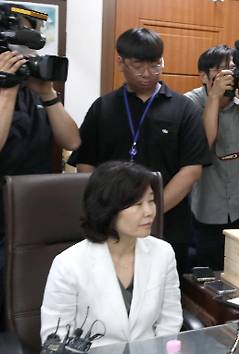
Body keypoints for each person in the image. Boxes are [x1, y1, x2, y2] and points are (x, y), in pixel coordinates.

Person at [68, 28, 211, 275]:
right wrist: (111, 212)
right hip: (112, 226)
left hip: (169, 226)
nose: (147, 73)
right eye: (138, 65)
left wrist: (150, 211)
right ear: (120, 62)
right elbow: (86, 164)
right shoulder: (104, 107)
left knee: (165, 295)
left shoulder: (183, 108)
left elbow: (192, 170)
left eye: (155, 65)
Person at [40, 161, 182, 348]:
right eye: (138, 204)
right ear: (108, 209)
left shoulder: (163, 253)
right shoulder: (68, 264)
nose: (149, 212)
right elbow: (55, 336)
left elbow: (170, 320)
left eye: (151, 200)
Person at [0, 4, 80, 330]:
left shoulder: (31, 88)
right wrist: (5, 92)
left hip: (34, 211)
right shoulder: (7, 89)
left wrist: (47, 94)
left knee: (33, 299)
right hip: (1, 214)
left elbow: (72, 140)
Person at [185, 45, 239, 270]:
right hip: (207, 211)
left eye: (232, 69)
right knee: (209, 281)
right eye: (221, 70)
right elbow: (203, 145)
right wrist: (214, 98)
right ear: (204, 76)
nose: (228, 76)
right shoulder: (190, 103)